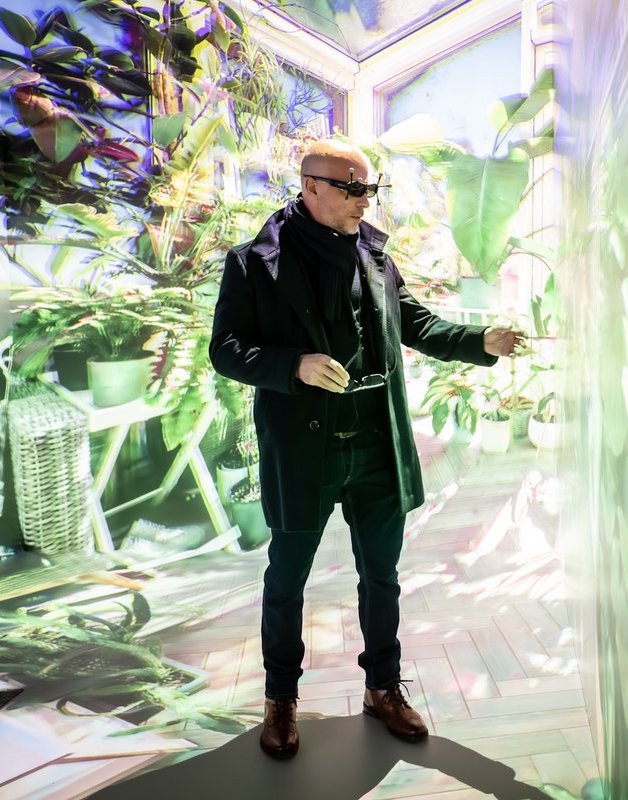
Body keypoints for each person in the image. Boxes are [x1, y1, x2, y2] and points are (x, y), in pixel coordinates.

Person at [209, 139, 527, 760]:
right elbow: (226, 349)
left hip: (377, 445)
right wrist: (293, 365)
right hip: (305, 451)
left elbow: (418, 324)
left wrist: (480, 341)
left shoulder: (374, 257)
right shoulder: (252, 264)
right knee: (287, 579)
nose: (364, 201)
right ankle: (280, 698)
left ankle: (382, 687)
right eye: (352, 189)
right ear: (311, 186)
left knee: (381, 576)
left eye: (369, 190)